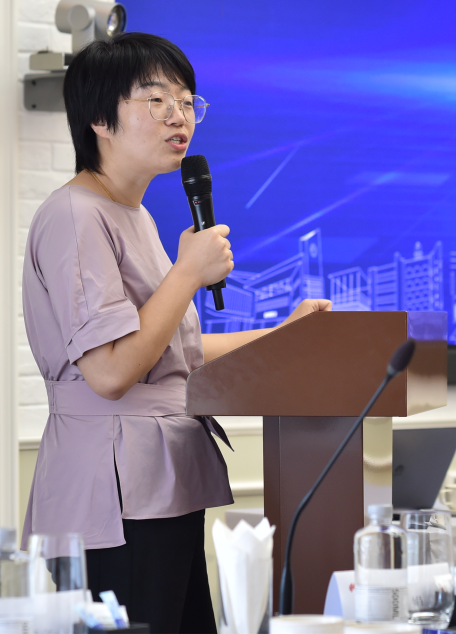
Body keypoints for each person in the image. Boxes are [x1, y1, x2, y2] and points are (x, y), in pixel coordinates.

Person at [20, 32, 331, 634]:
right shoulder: (74, 214)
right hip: (113, 491)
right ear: (99, 120)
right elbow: (112, 371)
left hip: (161, 479)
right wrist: (188, 273)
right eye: (155, 99)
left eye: (187, 101)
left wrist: (283, 334)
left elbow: (171, 353)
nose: (178, 116)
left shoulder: (133, 214)